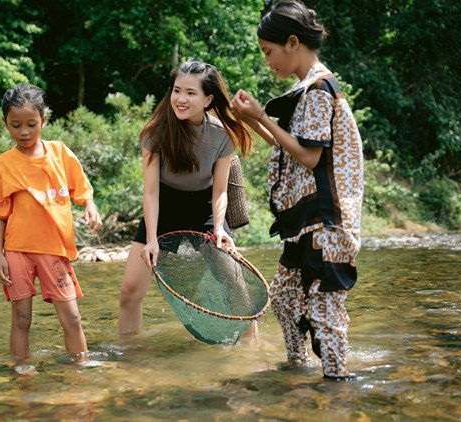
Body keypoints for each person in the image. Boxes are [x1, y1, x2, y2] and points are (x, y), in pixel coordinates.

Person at [230, 0, 364, 380]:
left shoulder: (320, 89)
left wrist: (259, 116)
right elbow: (290, 146)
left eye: (268, 52)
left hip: (327, 220)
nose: (267, 61)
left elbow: (308, 157)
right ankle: (297, 372)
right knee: (287, 299)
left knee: (324, 308)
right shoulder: (306, 89)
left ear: (292, 42)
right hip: (305, 221)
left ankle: (336, 387)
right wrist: (254, 122)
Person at [118, 61, 254, 340]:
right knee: (130, 290)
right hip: (163, 205)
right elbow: (151, 191)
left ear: (208, 99)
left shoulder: (221, 135)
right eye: (176, 91)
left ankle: (252, 352)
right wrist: (153, 237)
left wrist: (218, 229)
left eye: (190, 93)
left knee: (235, 281)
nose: (181, 99)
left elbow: (219, 191)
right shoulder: (155, 132)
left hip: (203, 207)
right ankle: (131, 359)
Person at [0, 83, 103, 374]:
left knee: (72, 317)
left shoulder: (60, 153)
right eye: (15, 125)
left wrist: (90, 206)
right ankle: (20, 368)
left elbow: (82, 189)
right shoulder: (3, 163)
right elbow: (0, 213)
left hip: (54, 250)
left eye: (31, 124)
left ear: (44, 120)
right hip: (17, 250)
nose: (24, 132)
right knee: (22, 316)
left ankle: (80, 366)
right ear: (6, 123)